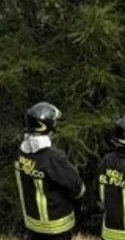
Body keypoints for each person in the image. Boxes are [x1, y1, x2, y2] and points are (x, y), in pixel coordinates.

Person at [14, 101, 86, 240]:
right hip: (57, 226)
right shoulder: (52, 157)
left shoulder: (22, 152)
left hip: (32, 224)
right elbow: (77, 188)